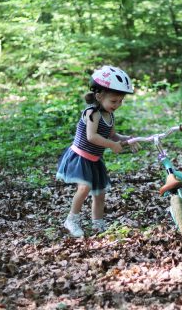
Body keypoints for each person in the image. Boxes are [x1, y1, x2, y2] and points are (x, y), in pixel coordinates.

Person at [56, 65, 137, 237]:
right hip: (80, 157)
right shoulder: (92, 113)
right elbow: (92, 137)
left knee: (100, 194)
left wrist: (125, 139)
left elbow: (113, 134)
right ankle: (71, 220)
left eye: (120, 101)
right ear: (99, 96)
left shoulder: (110, 115)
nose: (117, 105)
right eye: (114, 101)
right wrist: (111, 145)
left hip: (95, 159)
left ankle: (98, 224)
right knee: (84, 188)